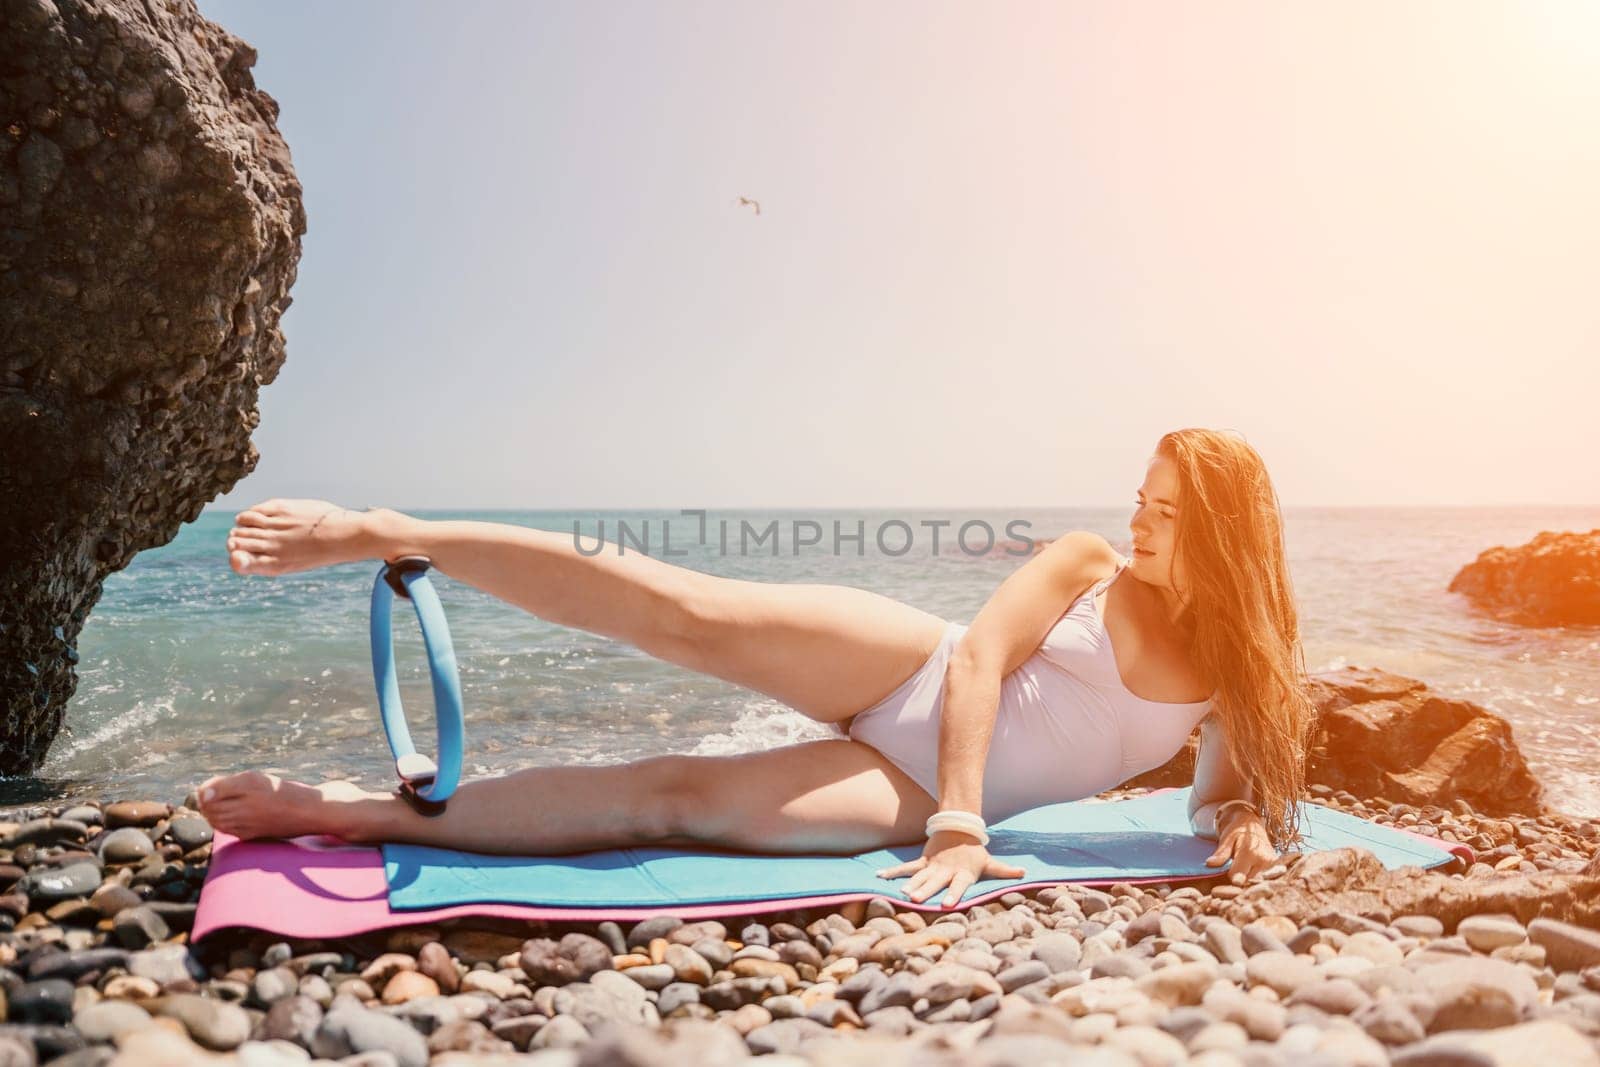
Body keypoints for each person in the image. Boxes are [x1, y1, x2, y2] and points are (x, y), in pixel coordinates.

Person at [198, 428, 1310, 907]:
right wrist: (964, 825)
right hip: (913, 682)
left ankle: (348, 812)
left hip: (908, 789)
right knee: (688, 610)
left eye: (1164, 511)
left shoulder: (1237, 676)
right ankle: (389, 528)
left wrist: (1242, 817)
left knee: (675, 796)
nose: (1136, 516)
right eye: (1141, 496)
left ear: (1219, 534)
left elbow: (1221, 800)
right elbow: (976, 660)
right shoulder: (1089, 560)